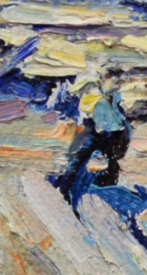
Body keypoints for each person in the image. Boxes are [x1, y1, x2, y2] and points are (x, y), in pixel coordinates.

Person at [52, 72, 131, 205]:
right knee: (79, 160)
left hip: (108, 133)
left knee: (87, 161)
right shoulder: (99, 100)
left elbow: (111, 123)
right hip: (103, 132)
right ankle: (66, 191)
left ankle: (71, 190)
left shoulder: (106, 101)